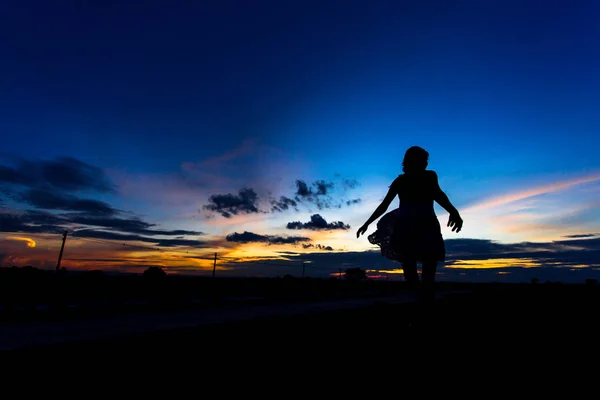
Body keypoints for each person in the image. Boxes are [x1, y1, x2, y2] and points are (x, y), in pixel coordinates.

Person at [356, 146, 463, 304]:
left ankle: (425, 302)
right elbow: (384, 205)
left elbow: (439, 195)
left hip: (427, 226)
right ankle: (420, 301)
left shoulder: (430, 176)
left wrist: (454, 212)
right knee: (410, 271)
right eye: (423, 160)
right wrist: (366, 223)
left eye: (426, 160)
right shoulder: (400, 181)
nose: (426, 163)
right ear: (413, 161)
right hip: (406, 228)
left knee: (429, 268)